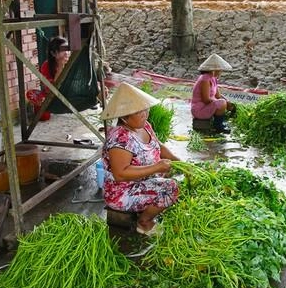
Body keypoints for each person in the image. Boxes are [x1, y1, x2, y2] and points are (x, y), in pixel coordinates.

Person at [101, 82, 180, 236]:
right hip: (122, 192)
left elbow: (159, 146)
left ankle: (147, 208)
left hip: (143, 181)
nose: (145, 113)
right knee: (171, 188)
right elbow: (120, 173)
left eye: (145, 108)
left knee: (177, 177)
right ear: (124, 117)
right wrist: (157, 167)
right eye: (139, 112)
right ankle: (143, 222)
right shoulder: (120, 138)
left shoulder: (144, 126)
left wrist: (179, 162)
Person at [26, 36, 70, 121]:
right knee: (31, 94)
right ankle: (36, 109)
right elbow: (52, 89)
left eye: (67, 49)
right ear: (53, 54)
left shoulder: (72, 62)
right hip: (52, 95)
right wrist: (60, 67)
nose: (66, 53)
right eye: (62, 50)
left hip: (68, 95)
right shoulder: (46, 66)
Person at [190, 53, 235, 134]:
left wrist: (228, 102)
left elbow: (217, 95)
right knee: (221, 103)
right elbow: (206, 99)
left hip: (206, 107)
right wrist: (222, 103)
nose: (220, 72)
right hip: (200, 109)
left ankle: (219, 123)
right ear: (214, 69)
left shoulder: (213, 78)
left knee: (224, 102)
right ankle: (218, 126)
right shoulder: (205, 79)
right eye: (219, 70)